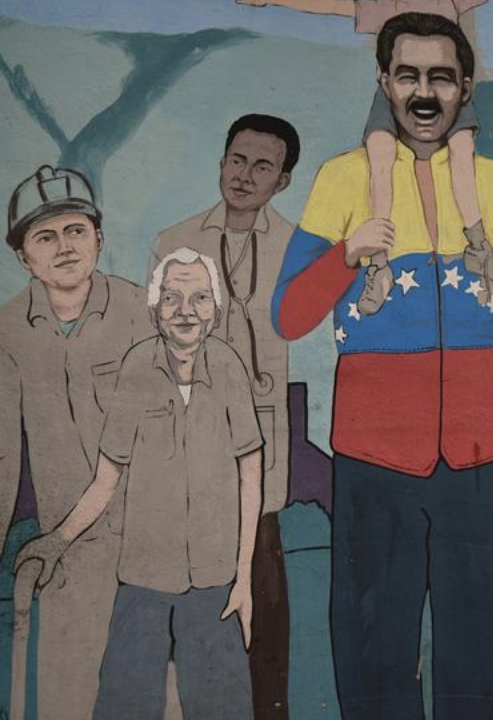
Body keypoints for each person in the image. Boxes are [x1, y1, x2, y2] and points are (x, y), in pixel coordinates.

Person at [271, 12, 493, 719]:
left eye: (442, 78)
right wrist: (348, 252)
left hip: (480, 459)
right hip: (372, 458)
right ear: (384, 81)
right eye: (410, 76)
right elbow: (290, 316)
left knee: (480, 659)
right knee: (373, 656)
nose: (425, 93)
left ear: (464, 87)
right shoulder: (341, 179)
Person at [17, 247, 263, 720]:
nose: (185, 311)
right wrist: (58, 541)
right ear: (154, 311)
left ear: (216, 309)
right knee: (125, 706)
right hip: (143, 581)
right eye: (171, 299)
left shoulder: (229, 367)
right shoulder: (136, 366)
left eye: (198, 298)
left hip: (214, 583)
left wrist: (244, 580)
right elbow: (107, 477)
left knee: (223, 708)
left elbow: (249, 477)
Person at [152, 113, 299, 720]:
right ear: (220, 161)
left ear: (283, 181)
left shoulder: (297, 246)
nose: (245, 175)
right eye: (237, 159)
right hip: (190, 438)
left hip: (262, 440)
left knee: (262, 587)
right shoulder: (174, 242)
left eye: (263, 165)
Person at [234, 0, 493, 315]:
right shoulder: (380, 3)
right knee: (380, 157)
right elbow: (335, 5)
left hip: (445, 83)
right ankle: (380, 267)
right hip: (401, 83)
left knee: (462, 153)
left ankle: (480, 246)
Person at [0, 165, 154, 720]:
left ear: (98, 238)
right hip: (65, 554)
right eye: (45, 237)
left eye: (75, 231)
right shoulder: (8, 331)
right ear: (23, 256)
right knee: (69, 701)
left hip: (152, 549)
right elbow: (2, 459)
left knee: (163, 697)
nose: (64, 247)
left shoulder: (144, 314)